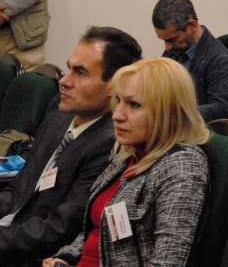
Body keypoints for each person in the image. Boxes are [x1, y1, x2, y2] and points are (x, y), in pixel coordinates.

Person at [0, 26, 142, 266]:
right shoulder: (57, 121)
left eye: (80, 73)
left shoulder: (111, 145)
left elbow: (59, 230)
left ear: (114, 87)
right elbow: (16, 191)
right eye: (69, 68)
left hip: (29, 257)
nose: (64, 81)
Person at [43, 58, 209, 266]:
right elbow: (96, 228)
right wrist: (65, 258)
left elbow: (168, 261)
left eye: (134, 105)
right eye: (118, 101)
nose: (117, 115)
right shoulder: (130, 152)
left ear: (167, 111)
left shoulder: (182, 167)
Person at [152, 0, 228, 121]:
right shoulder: (174, 49)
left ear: (192, 26)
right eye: (163, 40)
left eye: (172, 39)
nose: (167, 47)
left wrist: (174, 113)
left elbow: (222, 109)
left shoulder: (222, 61)